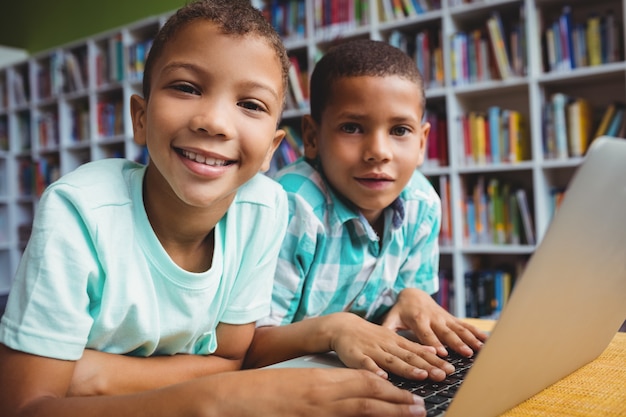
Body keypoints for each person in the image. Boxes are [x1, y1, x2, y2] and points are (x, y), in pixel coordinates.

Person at [0, 3, 428, 417]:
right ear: (141, 116)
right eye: (186, 87)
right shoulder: (80, 211)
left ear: (271, 150)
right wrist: (211, 399)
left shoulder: (262, 206)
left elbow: (234, 359)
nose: (215, 122)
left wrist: (91, 376)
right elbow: (23, 407)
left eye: (251, 104)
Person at [245, 39, 488, 381]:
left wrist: (412, 296)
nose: (378, 152)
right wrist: (335, 329)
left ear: (422, 142)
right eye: (352, 128)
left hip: (367, 372)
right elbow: (248, 350)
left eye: (400, 130)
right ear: (312, 137)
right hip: (292, 382)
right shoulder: (290, 208)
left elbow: (402, 313)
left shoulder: (423, 202)